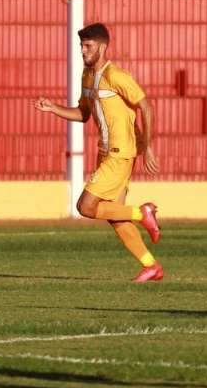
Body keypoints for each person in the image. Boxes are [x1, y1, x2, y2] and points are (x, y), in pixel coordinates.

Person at [34, 23, 164, 283]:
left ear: (102, 47)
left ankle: (142, 213)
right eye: (81, 45)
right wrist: (53, 108)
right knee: (114, 214)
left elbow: (146, 107)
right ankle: (151, 267)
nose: (82, 50)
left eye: (88, 46)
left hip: (120, 153)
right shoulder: (87, 76)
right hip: (105, 153)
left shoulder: (116, 75)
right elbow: (83, 114)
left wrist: (147, 146)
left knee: (86, 206)